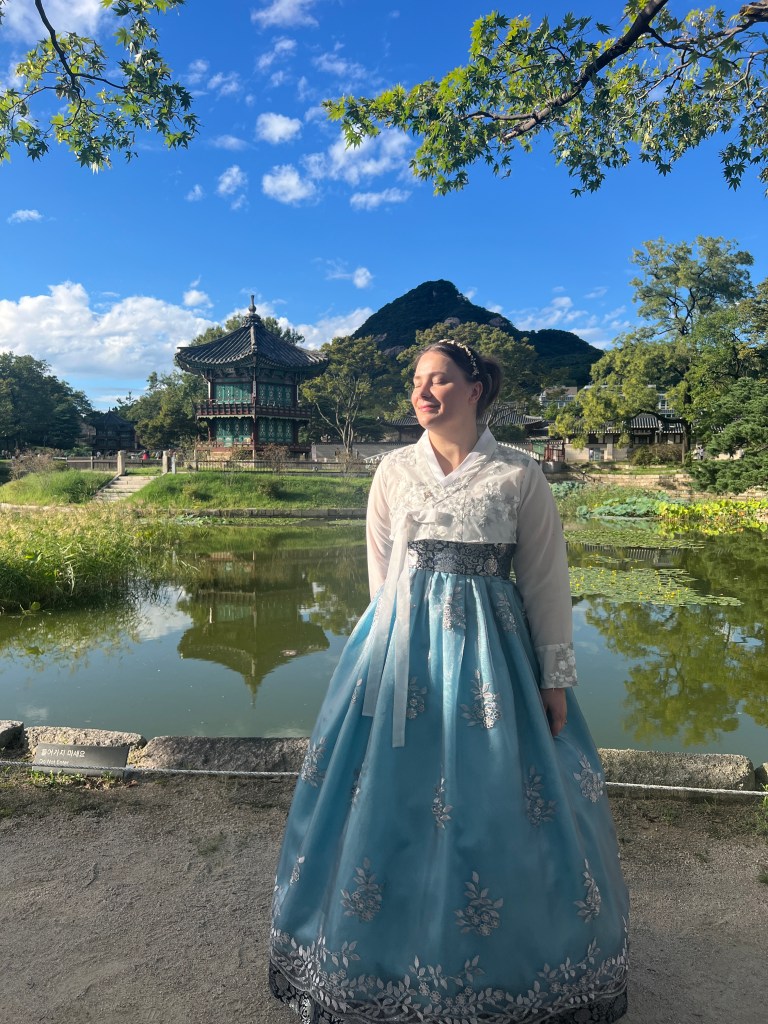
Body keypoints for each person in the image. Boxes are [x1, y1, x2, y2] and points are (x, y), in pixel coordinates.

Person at [269, 340, 629, 1024]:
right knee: (382, 801)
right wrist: (385, 652)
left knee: (496, 803)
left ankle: (518, 966)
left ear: (474, 389)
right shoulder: (393, 471)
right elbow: (381, 573)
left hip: (493, 661)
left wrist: (553, 678)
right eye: (416, 381)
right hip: (398, 651)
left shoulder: (519, 474)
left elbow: (547, 582)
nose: (424, 392)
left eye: (439, 380)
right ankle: (372, 964)